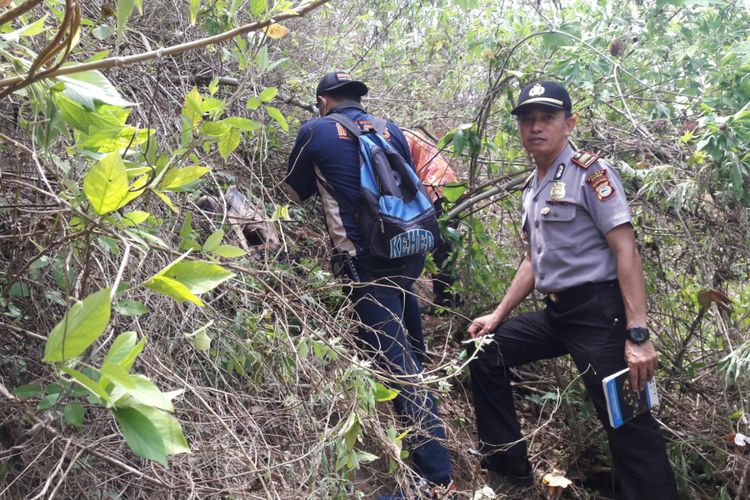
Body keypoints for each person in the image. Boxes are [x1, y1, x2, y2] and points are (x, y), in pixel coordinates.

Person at [467, 81, 679, 499]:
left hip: (601, 314)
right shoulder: (533, 186)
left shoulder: (591, 174)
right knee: (485, 351)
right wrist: (498, 314)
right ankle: (510, 475)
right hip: (557, 314)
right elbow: (532, 261)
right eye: (528, 119)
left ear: (570, 123)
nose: (536, 127)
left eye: (547, 117)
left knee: (628, 422)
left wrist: (638, 333)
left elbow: (626, 251)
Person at [284, 71, 454, 497]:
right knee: (409, 350)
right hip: (407, 250)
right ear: (358, 99)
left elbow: (293, 195)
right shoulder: (389, 129)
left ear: (322, 100)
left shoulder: (315, 130)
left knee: (398, 365)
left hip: (364, 263)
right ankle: (428, 433)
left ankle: (435, 477)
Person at [402, 129, 463, 310]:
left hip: (437, 189)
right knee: (445, 248)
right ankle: (450, 297)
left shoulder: (402, 137)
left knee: (441, 248)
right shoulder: (410, 135)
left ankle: (445, 302)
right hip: (450, 187)